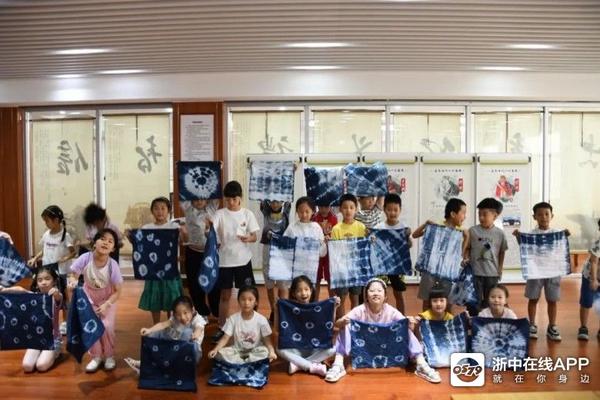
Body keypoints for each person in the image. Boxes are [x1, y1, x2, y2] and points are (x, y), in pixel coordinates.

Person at [324, 278, 441, 383]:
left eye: (379, 291)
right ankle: (338, 365)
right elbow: (338, 324)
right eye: (372, 291)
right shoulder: (360, 310)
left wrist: (409, 322)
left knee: (405, 329)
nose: (375, 293)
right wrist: (343, 321)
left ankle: (421, 364)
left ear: (385, 296)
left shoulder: (391, 311)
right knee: (347, 326)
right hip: (364, 347)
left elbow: (407, 327)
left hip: (386, 348)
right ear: (366, 296)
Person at [208, 181, 260, 343]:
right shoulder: (220, 214)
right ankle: (222, 327)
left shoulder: (247, 214)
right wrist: (208, 227)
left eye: (234, 199)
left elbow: (255, 236)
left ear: (240, 198)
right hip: (224, 261)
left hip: (243, 260)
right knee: (225, 295)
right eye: (228, 199)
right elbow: (211, 229)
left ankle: (250, 326)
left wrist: (248, 238)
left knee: (248, 294)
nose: (231, 202)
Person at [68, 228, 123, 372]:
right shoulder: (85, 258)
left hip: (108, 299)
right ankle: (96, 357)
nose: (106, 243)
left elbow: (118, 291)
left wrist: (107, 304)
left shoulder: (113, 265)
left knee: (107, 327)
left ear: (113, 248)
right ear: (94, 243)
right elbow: (73, 275)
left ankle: (109, 356)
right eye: (102, 239)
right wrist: (73, 281)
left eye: (110, 241)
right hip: (88, 298)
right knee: (91, 327)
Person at [513, 202, 569, 341]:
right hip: (535, 272)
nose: (543, 217)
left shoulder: (557, 233)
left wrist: (565, 235)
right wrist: (519, 237)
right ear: (534, 217)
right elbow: (525, 246)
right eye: (540, 214)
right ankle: (532, 324)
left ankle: (552, 326)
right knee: (533, 299)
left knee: (552, 300)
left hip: (553, 271)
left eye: (546, 214)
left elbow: (561, 248)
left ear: (552, 216)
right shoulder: (531, 234)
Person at [0, 265, 63, 372]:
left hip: (52, 340)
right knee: (27, 366)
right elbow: (20, 290)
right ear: (37, 283)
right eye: (40, 280)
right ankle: (44, 353)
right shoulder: (34, 296)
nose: (43, 282)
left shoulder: (55, 297)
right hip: (36, 338)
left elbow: (58, 296)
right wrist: (5, 289)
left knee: (41, 366)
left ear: (54, 281)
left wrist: (55, 292)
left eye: (47, 279)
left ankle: (56, 351)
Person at [136, 197, 187, 325]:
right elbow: (140, 246)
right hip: (153, 269)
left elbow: (184, 241)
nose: (160, 211)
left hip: (170, 268)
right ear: (152, 211)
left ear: (169, 211)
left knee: (172, 296)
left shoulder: (174, 227)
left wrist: (183, 232)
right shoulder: (147, 228)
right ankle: (156, 326)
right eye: (156, 208)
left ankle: (171, 324)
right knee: (155, 297)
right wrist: (131, 236)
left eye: (163, 208)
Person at [124, 295, 207, 374]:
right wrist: (149, 330)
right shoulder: (175, 318)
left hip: (190, 354)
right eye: (178, 314)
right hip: (175, 349)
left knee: (187, 332)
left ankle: (159, 368)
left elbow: (199, 328)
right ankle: (147, 363)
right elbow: (163, 324)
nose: (182, 317)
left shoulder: (198, 319)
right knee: (154, 333)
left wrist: (195, 335)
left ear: (192, 310)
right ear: (174, 314)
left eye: (185, 313)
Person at [413, 198, 469, 311]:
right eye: (463, 213)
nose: (465, 217)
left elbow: (461, 254)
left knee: (448, 301)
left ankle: (447, 321)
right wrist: (426, 224)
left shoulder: (459, 232)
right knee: (427, 300)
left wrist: (466, 236)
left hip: (448, 272)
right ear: (453, 214)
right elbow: (415, 235)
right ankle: (426, 320)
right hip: (430, 269)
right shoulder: (436, 226)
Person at [27, 205, 76, 335]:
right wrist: (35, 258)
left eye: (47, 221)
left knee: (63, 298)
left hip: (61, 272)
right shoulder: (46, 234)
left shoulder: (65, 236)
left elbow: (73, 252)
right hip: (47, 271)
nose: (46, 223)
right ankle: (48, 321)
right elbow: (44, 250)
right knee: (46, 295)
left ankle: (65, 323)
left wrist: (65, 258)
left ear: (56, 220)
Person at [276, 275, 337, 377]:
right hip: (296, 347)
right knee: (279, 349)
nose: (303, 293)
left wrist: (334, 308)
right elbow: (278, 329)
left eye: (306, 289)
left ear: (311, 291)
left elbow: (329, 325)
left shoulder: (318, 308)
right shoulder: (288, 309)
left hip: (314, 348)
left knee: (333, 349)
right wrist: (277, 309)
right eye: (299, 290)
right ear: (293, 293)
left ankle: (299, 365)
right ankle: (311, 365)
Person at [208, 286, 277, 363]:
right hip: (237, 351)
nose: (246, 303)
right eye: (243, 299)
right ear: (238, 301)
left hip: (255, 350)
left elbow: (267, 339)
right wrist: (215, 349)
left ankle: (241, 362)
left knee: (265, 352)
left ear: (256, 302)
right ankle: (247, 362)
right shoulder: (233, 319)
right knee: (219, 354)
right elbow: (225, 338)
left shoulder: (262, 319)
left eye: (250, 299)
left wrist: (272, 351)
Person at [465, 197, 508, 315]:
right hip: (475, 273)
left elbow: (502, 252)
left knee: (491, 300)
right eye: (479, 214)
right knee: (474, 301)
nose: (481, 217)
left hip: (492, 273)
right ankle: (473, 321)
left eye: (485, 214)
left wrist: (500, 268)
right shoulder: (472, 231)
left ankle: (489, 320)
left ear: (495, 216)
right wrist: (466, 258)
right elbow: (467, 248)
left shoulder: (500, 234)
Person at [181, 198, 220, 320]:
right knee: (194, 284)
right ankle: (202, 312)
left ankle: (216, 311)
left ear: (207, 200)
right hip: (193, 252)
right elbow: (183, 194)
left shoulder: (211, 208)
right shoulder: (188, 209)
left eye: (202, 199)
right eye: (196, 199)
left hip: (211, 252)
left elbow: (216, 193)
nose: (199, 201)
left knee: (214, 282)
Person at [373, 193, 412, 313]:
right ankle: (381, 316)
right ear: (384, 209)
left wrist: (408, 237)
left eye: (395, 210)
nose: (392, 213)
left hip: (398, 265)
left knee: (399, 293)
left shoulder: (403, 227)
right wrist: (372, 240)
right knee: (381, 292)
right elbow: (374, 246)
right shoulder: (379, 227)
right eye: (389, 209)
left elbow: (409, 245)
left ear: (400, 210)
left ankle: (402, 317)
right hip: (383, 265)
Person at [330, 193, 367, 316]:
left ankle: (354, 321)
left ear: (356, 209)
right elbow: (335, 251)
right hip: (341, 270)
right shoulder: (336, 229)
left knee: (355, 297)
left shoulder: (361, 227)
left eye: (351, 207)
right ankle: (341, 322)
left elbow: (364, 248)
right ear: (340, 209)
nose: (348, 210)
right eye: (345, 207)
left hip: (356, 269)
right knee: (341, 298)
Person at [260, 199, 291, 323]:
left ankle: (281, 310)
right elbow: (263, 198)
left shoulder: (286, 211)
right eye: (272, 202)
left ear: (282, 202)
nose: (275, 204)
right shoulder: (266, 211)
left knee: (282, 283)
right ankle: (273, 310)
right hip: (268, 247)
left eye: (277, 202)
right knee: (269, 283)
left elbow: (288, 195)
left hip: (282, 248)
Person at [577, 218, 600, 341]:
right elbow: (594, 262)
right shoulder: (598, 244)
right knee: (586, 301)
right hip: (590, 276)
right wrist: (594, 280)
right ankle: (583, 327)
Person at [311, 205, 337, 300]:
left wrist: (330, 238)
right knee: (316, 278)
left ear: (330, 206)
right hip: (317, 252)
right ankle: (315, 302)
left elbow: (336, 235)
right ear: (318, 206)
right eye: (321, 207)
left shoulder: (334, 218)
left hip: (330, 253)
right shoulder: (314, 218)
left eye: (326, 207)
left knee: (330, 278)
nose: (323, 209)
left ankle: (332, 302)